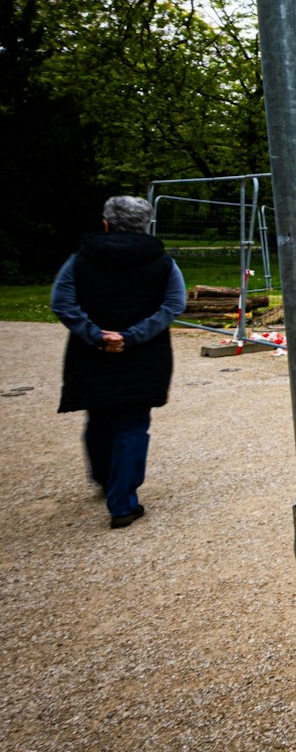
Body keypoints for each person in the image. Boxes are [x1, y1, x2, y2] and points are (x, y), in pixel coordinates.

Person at [50, 196, 185, 528]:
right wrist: (133, 336)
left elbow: (62, 302)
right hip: (144, 354)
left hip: (90, 354)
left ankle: (104, 478)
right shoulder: (162, 262)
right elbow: (173, 304)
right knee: (133, 424)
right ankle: (122, 503)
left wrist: (97, 335)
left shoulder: (80, 260)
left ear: (106, 223)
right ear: (145, 225)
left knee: (98, 416)